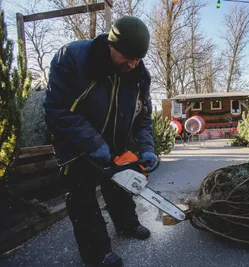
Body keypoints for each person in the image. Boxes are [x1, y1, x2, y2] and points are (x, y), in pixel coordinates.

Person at [43, 16, 158, 267]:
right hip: (74, 144)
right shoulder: (73, 58)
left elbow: (144, 115)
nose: (132, 64)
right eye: (127, 57)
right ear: (111, 45)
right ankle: (97, 253)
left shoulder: (139, 75)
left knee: (120, 186)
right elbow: (57, 109)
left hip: (114, 142)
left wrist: (147, 148)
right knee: (82, 197)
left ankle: (127, 224)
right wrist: (93, 143)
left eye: (138, 58)